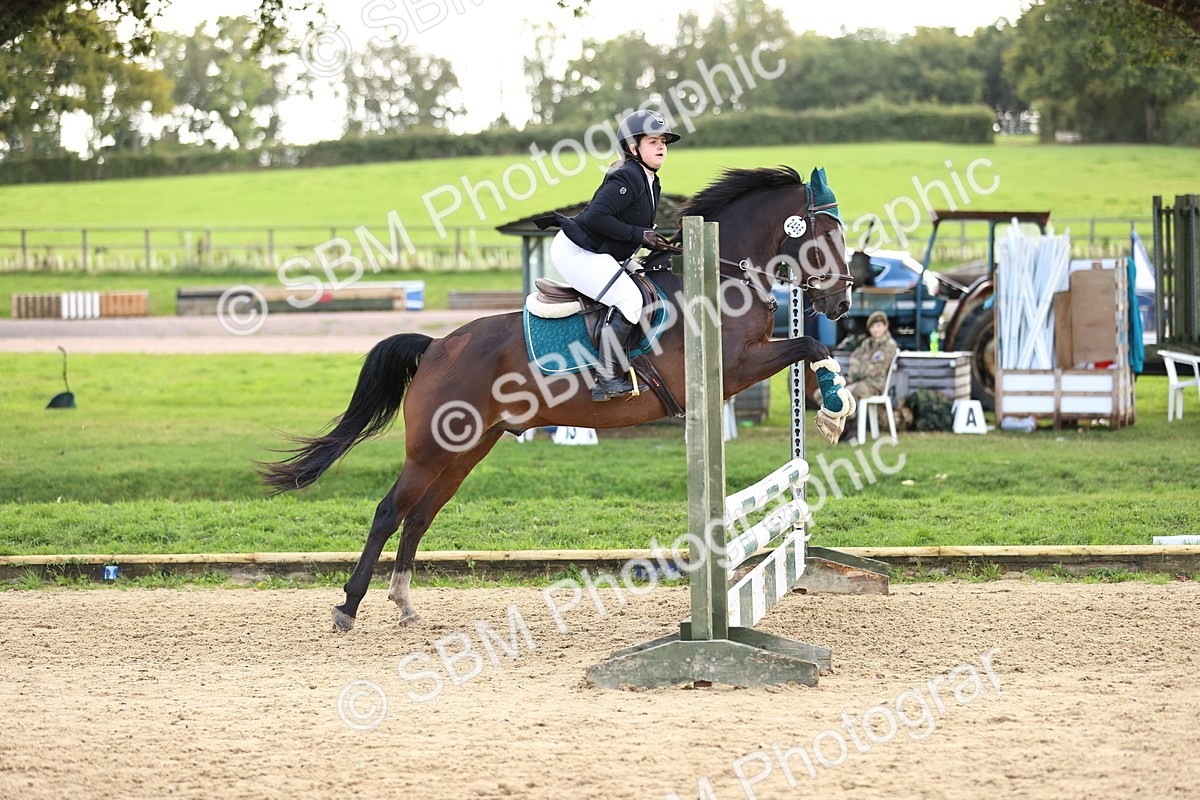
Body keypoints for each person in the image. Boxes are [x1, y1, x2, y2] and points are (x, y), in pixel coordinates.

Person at [550, 110, 679, 401]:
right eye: (653, 141)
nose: (661, 147)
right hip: (576, 250)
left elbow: (630, 227)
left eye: (664, 142)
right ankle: (606, 378)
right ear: (634, 148)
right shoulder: (628, 175)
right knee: (629, 299)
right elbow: (596, 216)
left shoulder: (651, 180)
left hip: (596, 253)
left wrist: (650, 240)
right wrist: (637, 235)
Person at [846, 310, 899, 400]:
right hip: (862, 381)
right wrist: (855, 370)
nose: (875, 329)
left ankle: (852, 414)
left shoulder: (889, 345)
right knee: (836, 393)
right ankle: (850, 414)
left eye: (878, 326)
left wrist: (859, 372)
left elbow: (877, 369)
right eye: (872, 327)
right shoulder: (867, 343)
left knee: (848, 393)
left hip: (877, 384)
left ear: (885, 326)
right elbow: (855, 357)